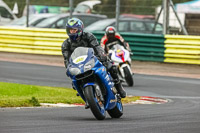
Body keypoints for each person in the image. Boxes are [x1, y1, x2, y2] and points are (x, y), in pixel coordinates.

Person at [61, 18, 126, 102]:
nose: (72, 32)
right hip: (78, 65)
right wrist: (68, 69)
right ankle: (87, 98)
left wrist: (102, 55)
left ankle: (119, 87)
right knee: (74, 82)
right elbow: (67, 59)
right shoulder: (65, 44)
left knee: (111, 67)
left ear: (80, 29)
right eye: (70, 30)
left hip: (93, 59)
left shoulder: (88, 36)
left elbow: (97, 47)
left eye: (74, 30)